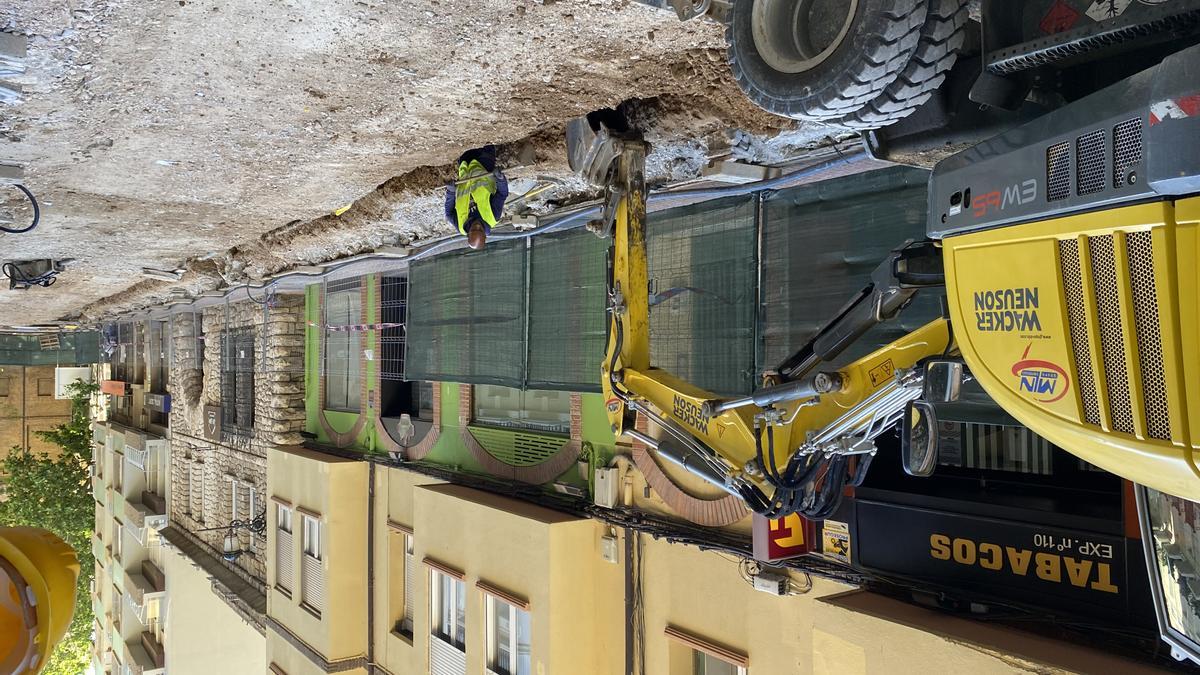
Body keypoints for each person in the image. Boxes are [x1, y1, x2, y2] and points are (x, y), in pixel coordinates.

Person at [444, 145, 508, 250]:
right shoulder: (492, 217)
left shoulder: (461, 226)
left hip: (464, 168)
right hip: (483, 163)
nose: (477, 225)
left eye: (474, 229)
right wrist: (500, 179)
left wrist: (451, 193)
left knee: (463, 141)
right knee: (483, 138)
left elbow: (449, 212)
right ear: (485, 235)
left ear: (468, 234)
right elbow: (502, 194)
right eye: (480, 229)